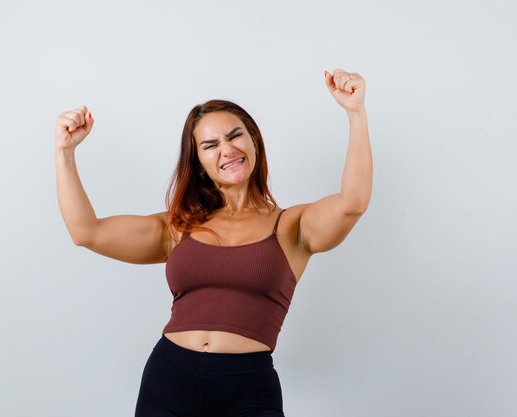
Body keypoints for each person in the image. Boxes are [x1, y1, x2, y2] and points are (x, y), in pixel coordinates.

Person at [54, 68, 372, 417]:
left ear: (254, 140)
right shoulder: (179, 227)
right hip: (169, 376)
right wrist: (65, 151)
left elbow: (352, 202)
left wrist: (355, 113)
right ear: (201, 163)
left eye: (235, 136)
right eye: (210, 145)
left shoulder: (293, 226)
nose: (227, 150)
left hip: (248, 386)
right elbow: (86, 232)